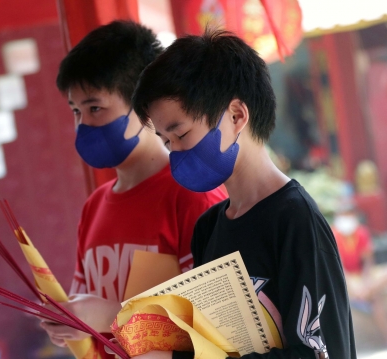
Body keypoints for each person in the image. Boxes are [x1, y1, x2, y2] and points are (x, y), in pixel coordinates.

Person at [129, 27, 356, 359]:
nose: (175, 152)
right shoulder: (207, 229)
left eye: (181, 133)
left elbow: (320, 352)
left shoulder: (295, 219)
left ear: (236, 115)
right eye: (166, 142)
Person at [39, 21, 227, 358]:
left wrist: (110, 315)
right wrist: (67, 322)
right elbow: (87, 323)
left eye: (96, 108)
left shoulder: (193, 195)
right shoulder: (94, 206)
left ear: (143, 106)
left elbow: (220, 325)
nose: (84, 125)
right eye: (76, 112)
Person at [332, 204, 387, 343]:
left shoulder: (361, 232)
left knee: (382, 281)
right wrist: (353, 286)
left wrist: (366, 282)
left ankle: (366, 294)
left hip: (362, 277)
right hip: (346, 278)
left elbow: (368, 261)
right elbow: (340, 266)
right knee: (374, 300)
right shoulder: (333, 234)